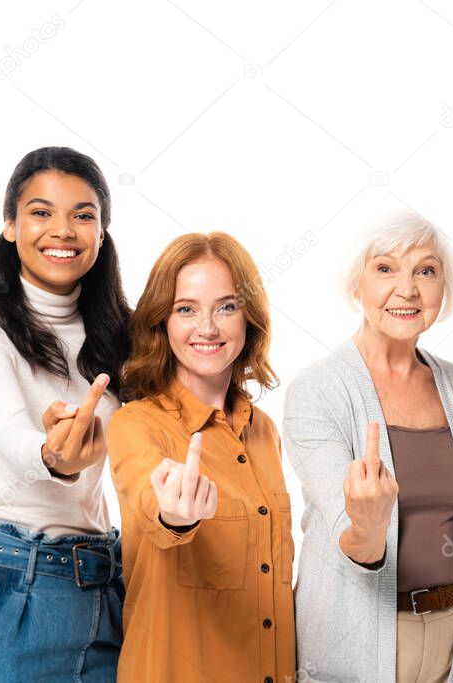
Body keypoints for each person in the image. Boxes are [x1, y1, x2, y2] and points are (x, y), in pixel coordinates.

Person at [283, 211, 453, 683]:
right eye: (385, 268)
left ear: (443, 288)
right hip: (358, 642)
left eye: (425, 271)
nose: (407, 289)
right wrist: (368, 523)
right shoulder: (318, 390)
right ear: (356, 285)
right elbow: (354, 542)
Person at [0, 147, 131, 681]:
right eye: (41, 213)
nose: (62, 230)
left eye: (83, 215)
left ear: (102, 232)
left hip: (107, 590)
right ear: (10, 226)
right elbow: (10, 433)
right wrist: (52, 456)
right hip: (11, 587)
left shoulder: (119, 337)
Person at [106, 232, 296, 682]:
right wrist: (177, 516)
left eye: (226, 307)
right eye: (185, 309)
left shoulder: (263, 429)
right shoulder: (136, 424)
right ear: (161, 322)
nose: (207, 327)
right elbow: (150, 502)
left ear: (249, 319)